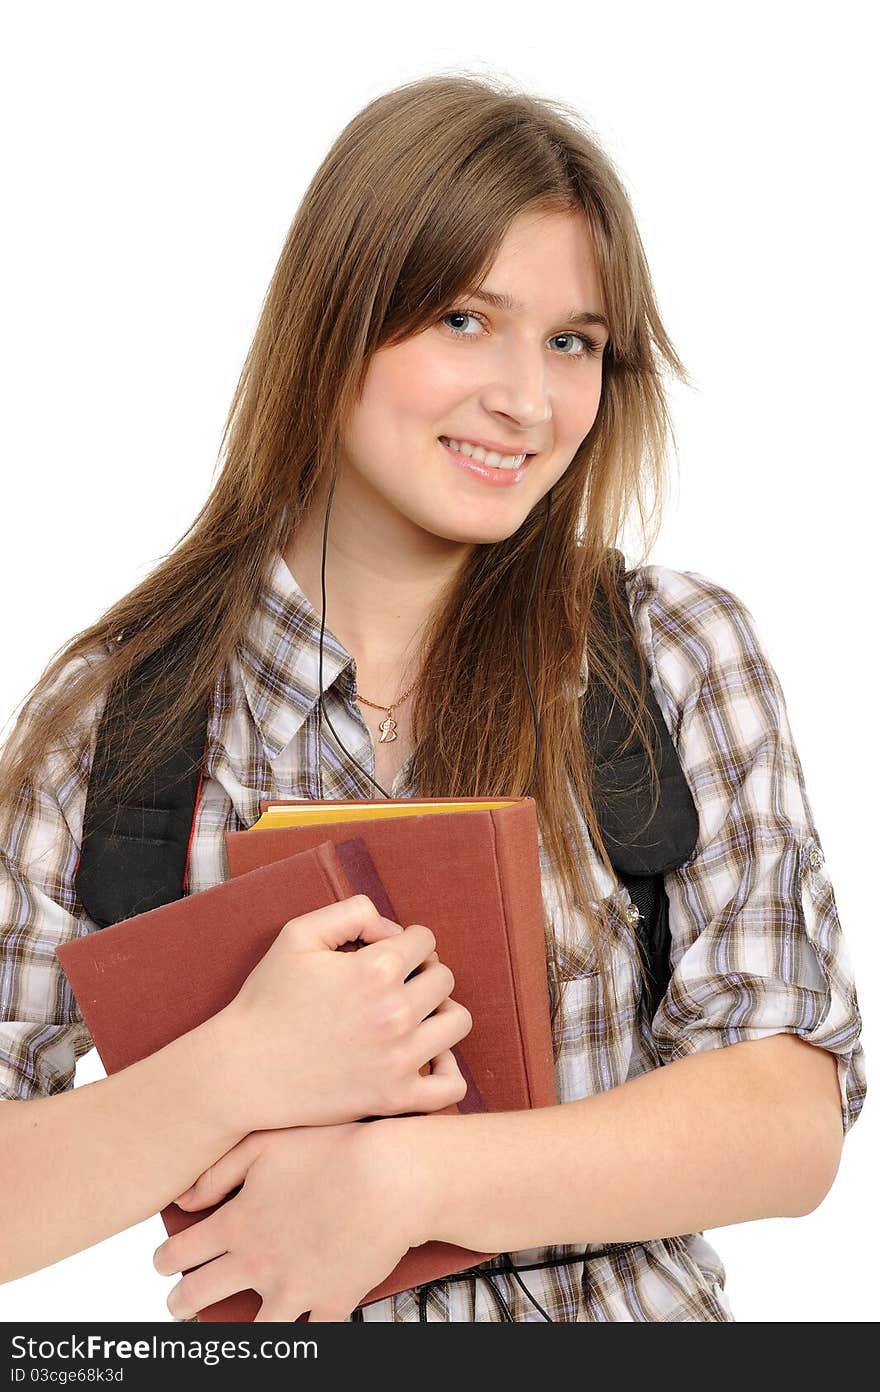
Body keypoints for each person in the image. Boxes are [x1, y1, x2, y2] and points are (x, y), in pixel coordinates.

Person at [0, 71, 866, 1324]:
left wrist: (402, 1179)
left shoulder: (667, 652)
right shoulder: (113, 726)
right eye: (466, 319)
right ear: (335, 319)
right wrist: (236, 1067)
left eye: (573, 341)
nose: (526, 399)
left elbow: (788, 1118)